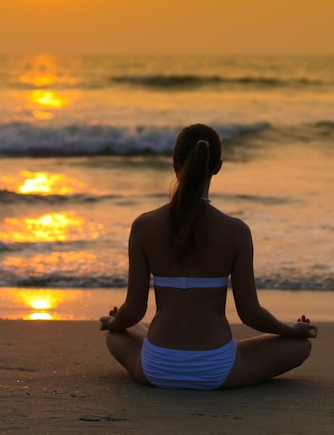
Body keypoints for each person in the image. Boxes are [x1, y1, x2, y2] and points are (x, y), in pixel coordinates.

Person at [100, 123, 318, 389]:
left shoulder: (144, 226)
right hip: (218, 369)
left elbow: (134, 311)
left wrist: (115, 322)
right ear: (217, 166)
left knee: (117, 333)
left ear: (174, 163)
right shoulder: (236, 231)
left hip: (155, 366)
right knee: (300, 346)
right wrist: (291, 329)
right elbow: (250, 314)